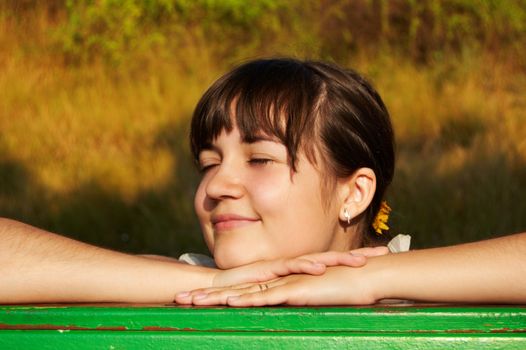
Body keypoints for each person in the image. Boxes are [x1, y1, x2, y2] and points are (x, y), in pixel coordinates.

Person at [1, 58, 525, 305]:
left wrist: (369, 281)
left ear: (354, 193)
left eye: (259, 159)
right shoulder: (187, 282)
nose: (217, 185)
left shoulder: (435, 290)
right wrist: (209, 285)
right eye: (209, 161)